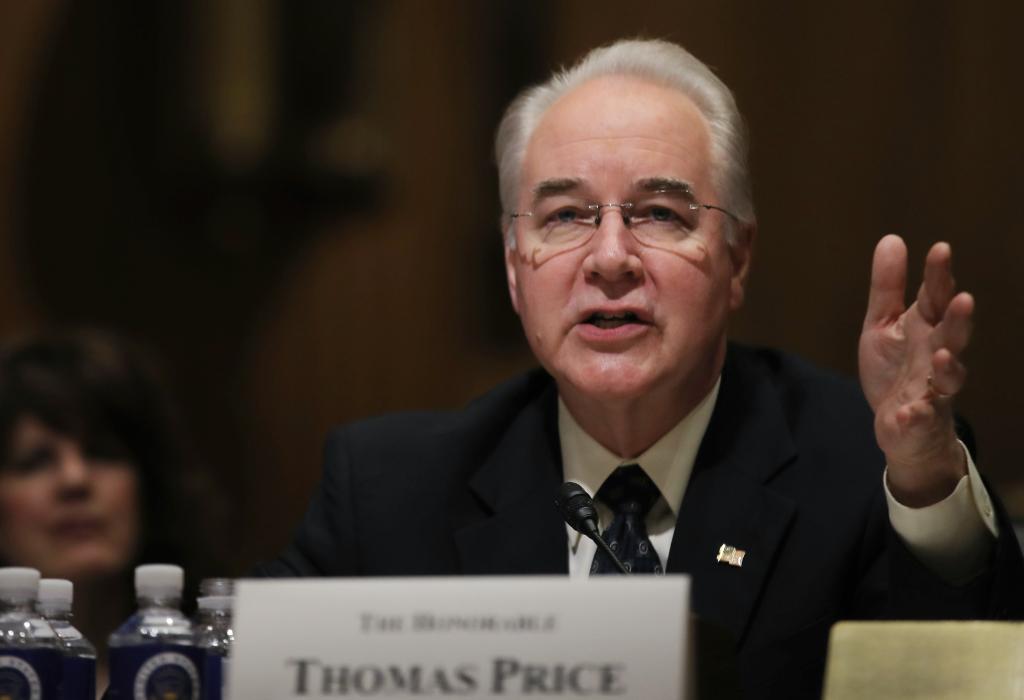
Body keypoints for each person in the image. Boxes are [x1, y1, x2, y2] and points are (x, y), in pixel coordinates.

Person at [256, 40, 1024, 698]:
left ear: (736, 259)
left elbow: (971, 673)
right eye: (565, 216)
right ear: (515, 268)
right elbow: (243, 664)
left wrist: (924, 479)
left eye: (660, 214)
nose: (611, 258)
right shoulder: (389, 493)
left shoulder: (864, 469)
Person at [0, 329, 220, 693]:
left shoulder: (219, 663)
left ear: (150, 485)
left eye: (102, 452)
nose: (75, 479)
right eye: (36, 461)